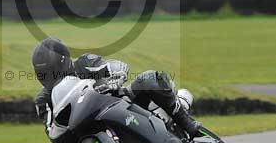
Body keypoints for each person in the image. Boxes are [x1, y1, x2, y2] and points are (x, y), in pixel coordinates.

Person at [31, 36, 202, 136]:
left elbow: (118, 67)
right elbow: (51, 129)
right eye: (43, 74)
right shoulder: (43, 99)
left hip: (124, 104)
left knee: (148, 79)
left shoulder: (84, 63)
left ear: (63, 63)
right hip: (96, 133)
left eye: (50, 71)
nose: (47, 77)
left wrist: (110, 81)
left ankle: (186, 122)